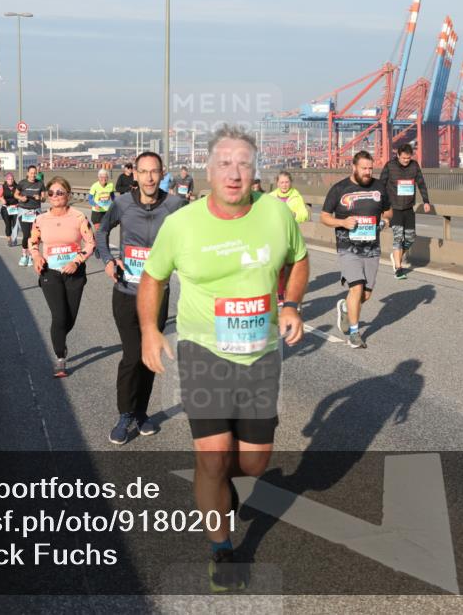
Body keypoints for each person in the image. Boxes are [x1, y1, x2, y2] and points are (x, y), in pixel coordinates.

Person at [139, 124, 309, 592]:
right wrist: (151, 331)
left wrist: (290, 303)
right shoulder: (182, 223)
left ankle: (216, 480)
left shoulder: (277, 215)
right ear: (209, 170)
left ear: (255, 172)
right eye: (225, 164)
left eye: (244, 165)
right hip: (203, 353)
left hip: (259, 357)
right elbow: (153, 278)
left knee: (253, 464)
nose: (234, 174)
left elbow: (298, 259)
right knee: (214, 457)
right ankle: (222, 547)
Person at [94, 151, 186, 445]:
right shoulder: (122, 203)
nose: (148, 177)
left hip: (158, 295)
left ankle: (142, 413)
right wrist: (108, 259)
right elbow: (101, 231)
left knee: (150, 356)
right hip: (126, 293)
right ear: (134, 174)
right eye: (143, 171)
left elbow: (194, 237)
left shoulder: (175, 205)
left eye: (154, 172)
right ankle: (125, 415)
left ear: (162, 174)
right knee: (133, 355)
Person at [320, 151, 392, 348]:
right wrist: (342, 221)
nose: (368, 172)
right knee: (356, 287)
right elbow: (324, 216)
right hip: (348, 247)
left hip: (372, 247)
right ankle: (354, 333)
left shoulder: (379, 187)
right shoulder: (339, 188)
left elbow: (388, 210)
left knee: (365, 295)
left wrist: (385, 220)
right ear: (354, 167)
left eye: (370, 168)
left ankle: (345, 307)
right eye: (364, 168)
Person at [30, 177, 97, 378]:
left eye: (59, 192)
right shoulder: (40, 219)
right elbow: (32, 241)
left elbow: (90, 243)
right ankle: (60, 358)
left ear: (67, 194)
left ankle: (59, 339)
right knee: (58, 316)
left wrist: (77, 261)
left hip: (74, 272)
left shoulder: (78, 218)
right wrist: (36, 256)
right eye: (51, 193)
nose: (55, 196)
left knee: (70, 318)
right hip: (50, 272)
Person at [379, 143, 431, 279]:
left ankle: (396, 255)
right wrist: (381, 205)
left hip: (408, 208)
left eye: (408, 158)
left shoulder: (414, 166)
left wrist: (426, 201)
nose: (406, 161)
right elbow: (381, 185)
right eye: (403, 158)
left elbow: (421, 183)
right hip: (394, 207)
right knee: (398, 237)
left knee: (410, 238)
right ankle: (398, 268)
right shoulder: (390, 166)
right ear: (398, 155)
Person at [273, 171, 310, 304]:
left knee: (291, 267)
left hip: (291, 236)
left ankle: (287, 292)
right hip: (275, 237)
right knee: (279, 266)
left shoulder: (296, 196)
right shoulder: (271, 197)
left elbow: (304, 215)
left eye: (287, 182)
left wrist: (295, 215)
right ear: (277, 183)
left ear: (291, 182)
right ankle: (280, 294)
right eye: (282, 182)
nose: (284, 185)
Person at [14, 165, 47, 267]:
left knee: (34, 236)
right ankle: (24, 255)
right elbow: (16, 194)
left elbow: (44, 198)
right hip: (24, 211)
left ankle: (32, 256)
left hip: (35, 212)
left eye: (35, 173)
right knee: (26, 235)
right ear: (28, 173)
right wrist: (21, 198)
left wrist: (39, 198)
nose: (33, 175)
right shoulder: (22, 183)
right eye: (31, 173)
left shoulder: (40, 183)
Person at [0, 173, 20, 246]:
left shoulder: (17, 187)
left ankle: (14, 239)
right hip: (6, 208)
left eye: (12, 179)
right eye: (9, 179)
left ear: (13, 180)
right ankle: (9, 239)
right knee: (8, 224)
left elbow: (21, 195)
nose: (10, 180)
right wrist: (1, 199)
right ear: (6, 180)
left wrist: (20, 202)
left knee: (15, 224)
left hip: (15, 208)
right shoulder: (3, 187)